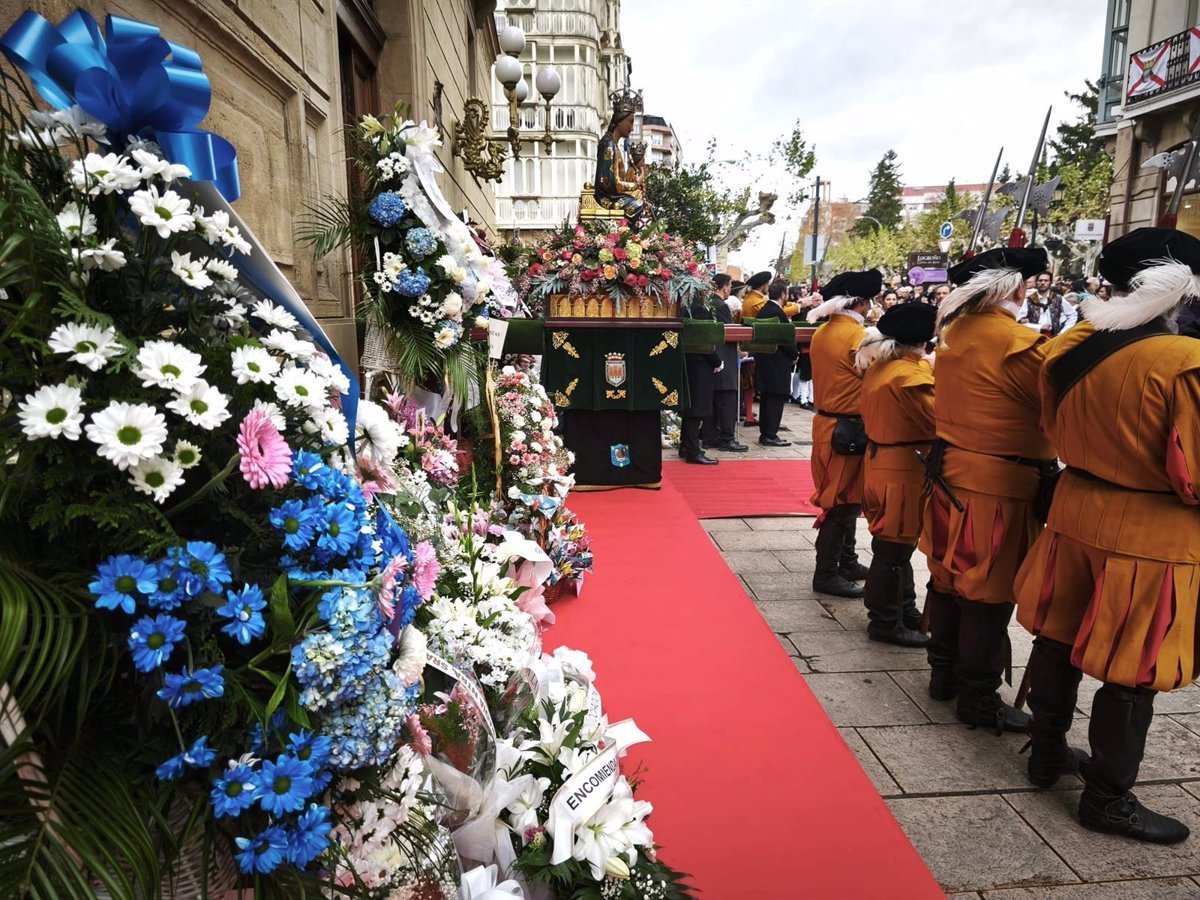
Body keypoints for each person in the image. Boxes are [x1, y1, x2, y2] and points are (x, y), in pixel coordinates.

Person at [1013, 228, 1200, 843]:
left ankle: (1045, 754)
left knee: (1057, 636)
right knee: (1134, 669)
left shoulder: (1071, 343)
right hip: (1151, 535)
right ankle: (1106, 798)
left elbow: (1048, 423)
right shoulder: (1183, 361)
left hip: (1077, 511)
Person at [919, 247, 1053, 734]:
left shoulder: (956, 333)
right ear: (1016, 289)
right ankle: (977, 696)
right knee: (988, 593)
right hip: (998, 485)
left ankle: (943, 674)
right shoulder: (1018, 343)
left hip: (952, 474)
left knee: (950, 577)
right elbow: (1058, 411)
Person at [856, 303, 937, 647]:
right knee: (894, 550)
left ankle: (901, 610)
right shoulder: (910, 376)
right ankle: (886, 621)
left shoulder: (881, 367)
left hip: (881, 461)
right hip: (901, 468)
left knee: (891, 546)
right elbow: (941, 421)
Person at [806, 269, 882, 598]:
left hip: (828, 423)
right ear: (863, 303)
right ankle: (826, 573)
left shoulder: (824, 331)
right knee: (842, 504)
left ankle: (847, 561)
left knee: (848, 498)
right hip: (847, 427)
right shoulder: (858, 336)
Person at [702, 274, 748, 453]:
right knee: (727, 400)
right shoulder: (721, 306)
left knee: (714, 401)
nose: (729, 289)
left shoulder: (710, 303)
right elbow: (729, 333)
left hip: (714, 359)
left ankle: (709, 436)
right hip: (724, 359)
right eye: (729, 286)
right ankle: (726, 438)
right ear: (725, 287)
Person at [678, 292, 724, 465]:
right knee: (696, 410)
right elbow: (704, 340)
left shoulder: (686, 307)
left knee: (690, 407)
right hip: (700, 364)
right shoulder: (699, 309)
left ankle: (685, 445)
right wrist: (717, 360)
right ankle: (693, 450)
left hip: (691, 363)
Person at [753, 279, 799, 447]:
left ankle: (766, 432)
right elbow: (786, 339)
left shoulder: (764, 309)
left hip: (765, 361)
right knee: (776, 399)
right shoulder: (777, 313)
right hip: (777, 363)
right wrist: (795, 354)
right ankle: (770, 434)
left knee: (767, 398)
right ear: (782, 295)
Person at [594, 89, 647, 223]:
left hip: (613, 196)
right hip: (606, 199)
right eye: (630, 122)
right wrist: (636, 183)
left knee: (640, 200)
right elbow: (612, 184)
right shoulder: (609, 145)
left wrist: (633, 178)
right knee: (637, 204)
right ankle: (626, 235)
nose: (632, 128)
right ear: (619, 120)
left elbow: (619, 178)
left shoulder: (614, 145)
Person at [740, 271, 773, 426]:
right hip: (753, 345)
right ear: (764, 285)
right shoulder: (755, 301)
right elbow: (775, 312)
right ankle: (748, 416)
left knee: (749, 384)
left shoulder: (750, 298)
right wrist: (800, 306)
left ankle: (748, 414)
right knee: (750, 383)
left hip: (749, 344)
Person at [1019, 270, 1078, 336]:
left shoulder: (1058, 299)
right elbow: (1019, 321)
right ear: (1036, 282)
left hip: (1055, 337)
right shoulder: (1028, 301)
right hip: (1034, 337)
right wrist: (1039, 327)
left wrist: (1063, 332)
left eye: (1046, 280)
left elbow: (1072, 315)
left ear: (1050, 282)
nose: (1043, 283)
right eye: (1040, 280)